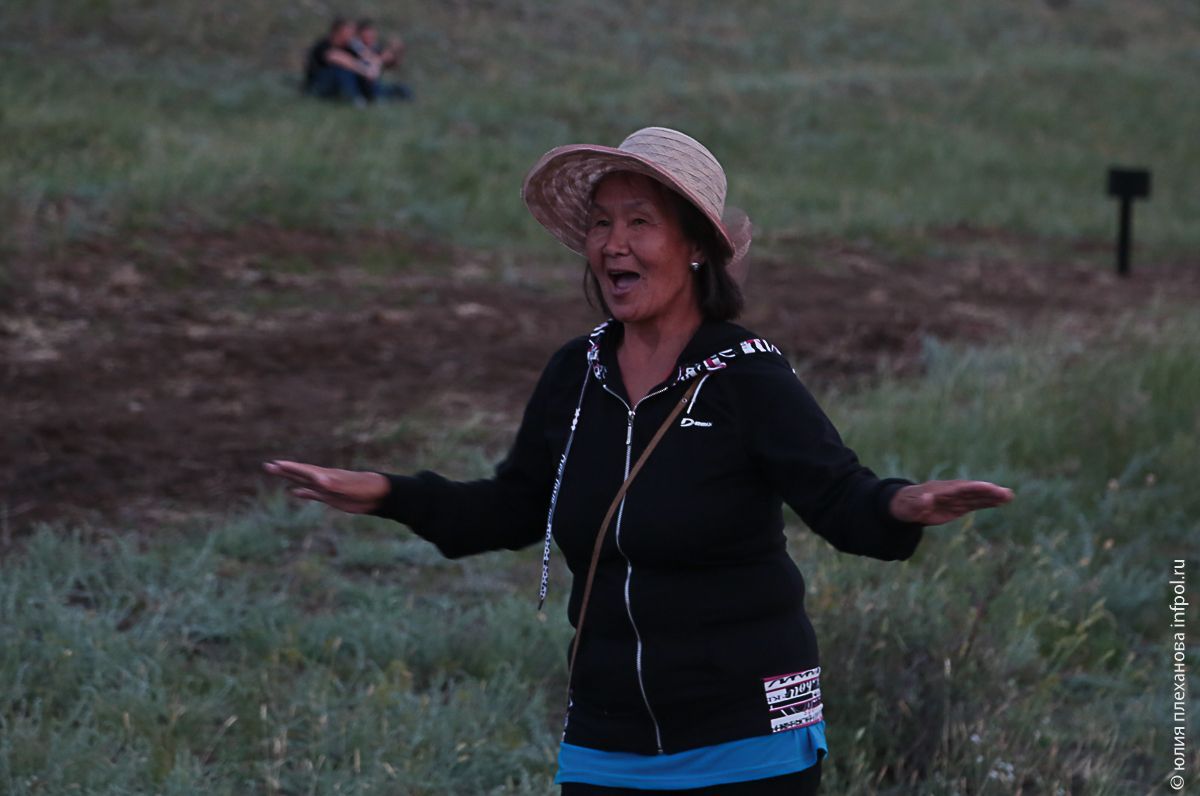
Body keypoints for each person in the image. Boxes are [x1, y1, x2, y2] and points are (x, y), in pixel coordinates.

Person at [263, 127, 1014, 793]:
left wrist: (901, 504)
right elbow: (514, 506)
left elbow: (840, 496)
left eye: (639, 222)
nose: (613, 244)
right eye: (601, 223)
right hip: (607, 742)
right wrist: (387, 493)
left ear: (696, 247)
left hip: (746, 740)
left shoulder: (748, 375)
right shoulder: (575, 373)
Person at [302, 17, 379, 105]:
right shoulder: (323, 45)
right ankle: (353, 98)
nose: (352, 34)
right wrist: (365, 71)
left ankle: (370, 96)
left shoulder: (350, 46)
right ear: (338, 32)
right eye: (348, 31)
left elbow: (370, 59)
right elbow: (338, 58)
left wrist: (360, 48)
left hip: (337, 87)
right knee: (341, 70)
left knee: (360, 72)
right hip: (318, 85)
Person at [349, 19, 412, 102]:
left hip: (374, 85)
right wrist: (380, 59)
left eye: (372, 33)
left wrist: (397, 51)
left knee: (402, 89)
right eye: (368, 33)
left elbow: (391, 62)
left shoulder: (376, 47)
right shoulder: (355, 45)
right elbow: (367, 58)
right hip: (359, 83)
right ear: (360, 34)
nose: (371, 36)